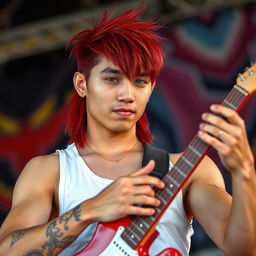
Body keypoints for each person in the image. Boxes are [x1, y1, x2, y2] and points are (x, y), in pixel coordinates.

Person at [0, 7, 255, 256]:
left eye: (140, 81)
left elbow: (244, 249)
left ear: (151, 88)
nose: (127, 95)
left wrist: (244, 173)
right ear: (81, 84)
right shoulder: (49, 172)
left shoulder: (189, 171)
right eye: (112, 79)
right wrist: (90, 210)